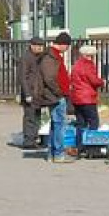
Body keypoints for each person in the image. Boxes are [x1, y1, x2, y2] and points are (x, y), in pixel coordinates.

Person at [37, 32, 73, 163]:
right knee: (59, 125)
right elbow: (49, 78)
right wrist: (59, 92)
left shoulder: (52, 56)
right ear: (63, 44)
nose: (68, 49)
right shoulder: (51, 57)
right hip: (54, 96)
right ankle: (58, 154)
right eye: (67, 46)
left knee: (53, 125)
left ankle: (52, 153)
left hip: (52, 95)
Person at [17, 37, 48, 150]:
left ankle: (34, 139)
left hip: (38, 93)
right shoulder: (26, 58)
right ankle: (29, 141)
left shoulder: (39, 57)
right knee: (30, 117)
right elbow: (23, 77)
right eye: (38, 46)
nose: (40, 48)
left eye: (41, 46)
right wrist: (27, 94)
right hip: (30, 92)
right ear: (32, 46)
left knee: (37, 116)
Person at [70, 44, 105, 132]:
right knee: (93, 121)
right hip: (87, 98)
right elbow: (93, 80)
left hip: (77, 98)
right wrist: (102, 82)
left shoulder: (76, 65)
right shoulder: (88, 65)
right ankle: (91, 144)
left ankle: (80, 143)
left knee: (80, 122)